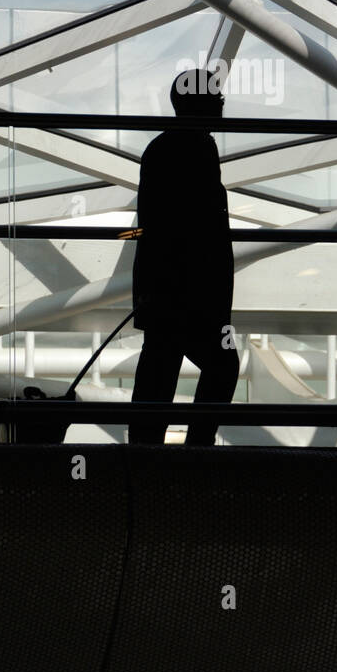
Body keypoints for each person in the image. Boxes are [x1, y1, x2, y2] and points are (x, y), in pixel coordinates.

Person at [129, 66, 238, 446]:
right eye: (216, 95)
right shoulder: (195, 149)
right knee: (215, 366)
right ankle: (191, 448)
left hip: (171, 291)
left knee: (160, 369)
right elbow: (198, 232)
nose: (222, 101)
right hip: (187, 293)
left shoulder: (168, 148)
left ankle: (147, 453)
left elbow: (156, 228)